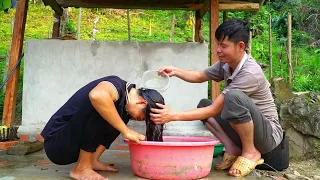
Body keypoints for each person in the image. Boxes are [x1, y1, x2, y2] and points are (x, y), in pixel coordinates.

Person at [150, 19, 283, 177]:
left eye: (223, 46)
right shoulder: (226, 64)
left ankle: (251, 152)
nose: (218, 50)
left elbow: (214, 110)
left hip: (267, 136)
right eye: (217, 44)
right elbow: (201, 75)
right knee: (203, 104)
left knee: (232, 98)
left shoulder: (250, 73)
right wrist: (175, 71)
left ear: (240, 46)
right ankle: (232, 149)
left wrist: (173, 116)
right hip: (247, 129)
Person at [41, 75, 164, 180]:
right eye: (143, 117)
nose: (139, 120)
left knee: (119, 115)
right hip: (56, 143)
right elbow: (96, 95)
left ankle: (92, 160)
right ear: (142, 102)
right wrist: (125, 131)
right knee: (103, 107)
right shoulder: (115, 84)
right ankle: (81, 168)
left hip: (69, 146)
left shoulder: (124, 106)